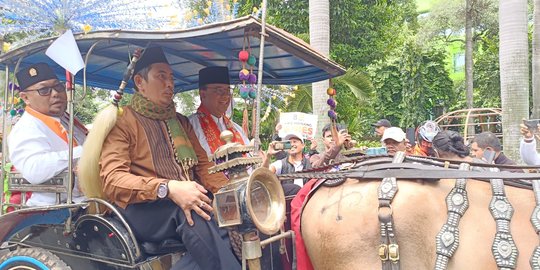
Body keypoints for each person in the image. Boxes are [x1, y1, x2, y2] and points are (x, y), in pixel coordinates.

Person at [98, 47, 240, 270]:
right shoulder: (122, 121)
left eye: (171, 78)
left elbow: (204, 168)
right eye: (161, 77)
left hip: (188, 199)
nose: (169, 84)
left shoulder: (180, 121)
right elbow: (112, 180)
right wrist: (168, 188)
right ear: (139, 82)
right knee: (193, 214)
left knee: (238, 215)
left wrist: (236, 192)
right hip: (142, 209)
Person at [8, 63, 87, 206]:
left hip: (83, 200)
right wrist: (85, 151)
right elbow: (35, 170)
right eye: (44, 90)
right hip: (48, 211)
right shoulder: (27, 127)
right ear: (25, 98)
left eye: (58, 87)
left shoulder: (67, 119)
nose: (56, 93)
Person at [188, 66, 249, 159]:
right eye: (219, 90)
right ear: (203, 94)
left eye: (228, 90)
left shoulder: (237, 129)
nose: (225, 96)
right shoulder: (189, 126)